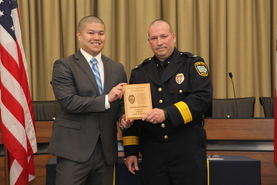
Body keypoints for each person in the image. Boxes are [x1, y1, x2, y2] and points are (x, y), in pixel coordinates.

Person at [122, 19, 213, 185]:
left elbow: (202, 98)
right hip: (153, 152)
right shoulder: (139, 72)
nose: (159, 42)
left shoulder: (192, 64)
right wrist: (131, 151)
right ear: (149, 42)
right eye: (154, 38)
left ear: (173, 37)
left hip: (186, 149)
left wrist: (166, 114)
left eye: (163, 36)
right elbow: (132, 114)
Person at [47, 15, 132, 185]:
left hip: (106, 150)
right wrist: (107, 98)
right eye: (91, 32)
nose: (96, 38)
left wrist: (124, 120)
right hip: (74, 150)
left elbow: (121, 104)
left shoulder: (117, 68)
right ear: (79, 35)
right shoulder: (64, 65)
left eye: (101, 33)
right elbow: (69, 102)